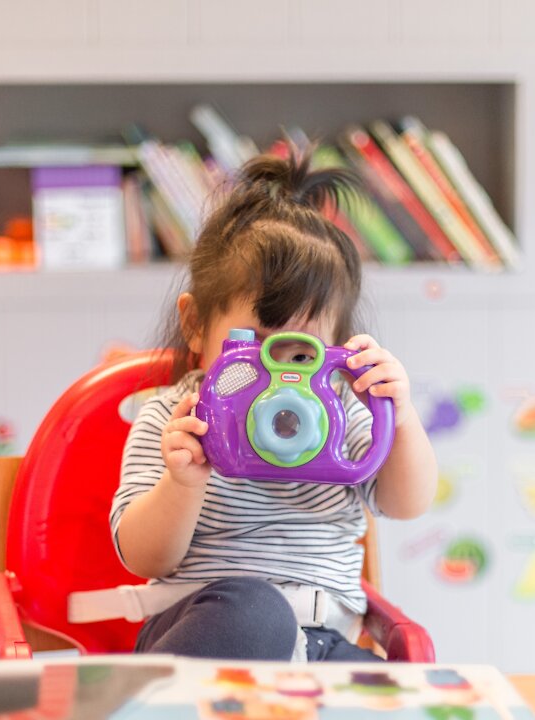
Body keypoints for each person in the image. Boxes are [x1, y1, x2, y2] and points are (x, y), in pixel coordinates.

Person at [111, 147, 438, 661]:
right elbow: (141, 555)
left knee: (393, 697)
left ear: (336, 347)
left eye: (300, 352)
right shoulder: (174, 418)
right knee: (256, 612)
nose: (277, 376)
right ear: (196, 325)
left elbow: (407, 503)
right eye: (255, 346)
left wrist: (399, 414)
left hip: (324, 642)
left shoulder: (341, 414)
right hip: (212, 630)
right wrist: (182, 484)